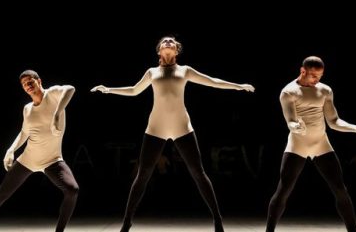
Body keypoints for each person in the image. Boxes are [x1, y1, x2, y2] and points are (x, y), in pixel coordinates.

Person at [91, 36, 254, 232]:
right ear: (159, 51)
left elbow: (211, 82)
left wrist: (238, 86)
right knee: (142, 175)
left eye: (172, 41)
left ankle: (218, 220)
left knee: (198, 173)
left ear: (176, 51)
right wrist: (108, 90)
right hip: (156, 128)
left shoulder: (185, 70)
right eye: (164, 41)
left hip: (182, 127)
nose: (168, 41)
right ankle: (127, 222)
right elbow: (134, 91)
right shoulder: (152, 72)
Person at [265, 56, 356, 232]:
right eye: (313, 76)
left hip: (320, 143)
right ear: (303, 71)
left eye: (320, 76)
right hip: (297, 144)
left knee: (340, 189)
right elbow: (290, 121)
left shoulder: (325, 90)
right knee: (284, 190)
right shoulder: (288, 92)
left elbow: (333, 121)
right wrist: (296, 127)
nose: (317, 80)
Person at [0, 70, 79, 232]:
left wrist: (57, 113)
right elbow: (24, 132)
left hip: (52, 159)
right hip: (28, 159)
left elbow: (71, 88)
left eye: (30, 82)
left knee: (72, 190)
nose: (28, 86)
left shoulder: (53, 94)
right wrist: (10, 150)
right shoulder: (27, 108)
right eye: (24, 85)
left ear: (39, 81)